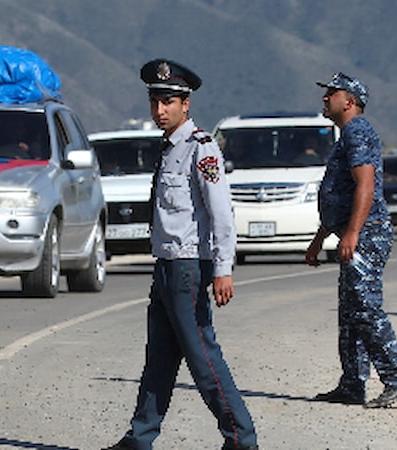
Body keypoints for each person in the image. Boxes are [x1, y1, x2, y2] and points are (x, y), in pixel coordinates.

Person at [104, 59, 258, 450]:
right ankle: (140, 438)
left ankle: (241, 438)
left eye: (168, 101)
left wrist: (223, 269)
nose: (160, 110)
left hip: (188, 266)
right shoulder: (169, 147)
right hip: (167, 265)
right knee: (158, 359)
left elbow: (221, 213)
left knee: (203, 358)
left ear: (185, 104)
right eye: (155, 101)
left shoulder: (200, 149)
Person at [305, 72, 397, 408]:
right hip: (353, 232)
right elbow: (341, 193)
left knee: (365, 309)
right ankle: (352, 384)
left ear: (349, 101)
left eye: (331, 94)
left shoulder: (358, 130)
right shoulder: (347, 135)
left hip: (367, 234)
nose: (325, 99)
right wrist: (320, 238)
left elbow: (365, 185)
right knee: (350, 313)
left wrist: (352, 233)